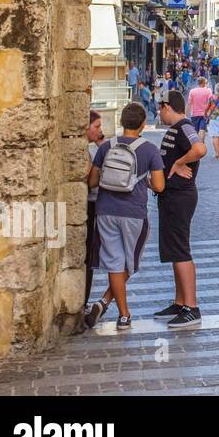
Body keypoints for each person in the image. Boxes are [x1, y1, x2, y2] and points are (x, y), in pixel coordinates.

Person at [83, 102, 166, 331]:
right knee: (130, 262)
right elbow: (159, 186)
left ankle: (122, 314)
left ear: (121, 122)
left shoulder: (106, 146)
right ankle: (107, 304)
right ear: (142, 124)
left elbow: (92, 181)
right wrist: (143, 180)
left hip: (105, 211)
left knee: (114, 262)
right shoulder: (149, 149)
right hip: (134, 213)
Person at [155, 90, 205, 328]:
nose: (158, 113)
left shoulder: (184, 126)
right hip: (170, 196)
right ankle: (180, 301)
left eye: (159, 108)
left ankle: (191, 307)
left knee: (181, 249)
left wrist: (178, 162)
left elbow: (200, 150)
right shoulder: (174, 130)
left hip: (180, 196)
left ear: (167, 107)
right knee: (175, 250)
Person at [83, 110, 105, 310]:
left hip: (90, 206)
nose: (100, 131)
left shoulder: (89, 150)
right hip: (88, 208)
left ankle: (83, 301)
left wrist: (100, 144)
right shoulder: (85, 154)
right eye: (97, 126)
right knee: (88, 256)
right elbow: (92, 181)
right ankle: (82, 301)